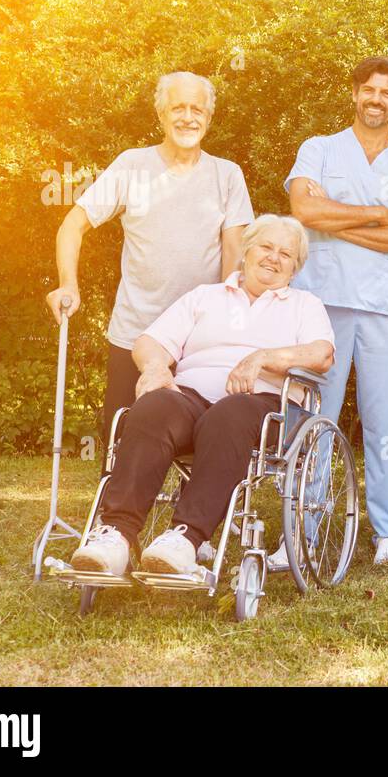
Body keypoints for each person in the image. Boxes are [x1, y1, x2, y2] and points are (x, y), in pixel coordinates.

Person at [69, 215, 336, 575]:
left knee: (229, 415)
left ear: (296, 266)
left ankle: (185, 538)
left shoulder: (304, 304)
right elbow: (151, 341)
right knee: (153, 407)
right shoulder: (205, 297)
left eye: (286, 254)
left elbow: (322, 355)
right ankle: (115, 534)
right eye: (266, 247)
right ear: (247, 251)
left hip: (264, 405)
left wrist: (264, 358)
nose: (274, 257)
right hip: (191, 396)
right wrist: (155, 367)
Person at [45, 72, 254, 464]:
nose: (188, 117)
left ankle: (185, 523)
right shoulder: (132, 165)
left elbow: (234, 253)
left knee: (200, 446)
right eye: (178, 108)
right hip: (134, 331)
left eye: (197, 109)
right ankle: (112, 520)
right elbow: (73, 225)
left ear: (209, 117)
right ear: (161, 114)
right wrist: (67, 284)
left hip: (197, 340)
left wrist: (228, 324)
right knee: (121, 443)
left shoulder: (227, 175)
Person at [284, 56, 388, 565]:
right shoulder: (319, 150)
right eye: (368, 90)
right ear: (354, 94)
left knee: (385, 423)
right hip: (321, 306)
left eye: (386, 93)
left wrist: (335, 221)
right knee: (311, 418)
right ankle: (302, 527)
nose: (376, 99)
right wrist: (373, 214)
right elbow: (304, 210)